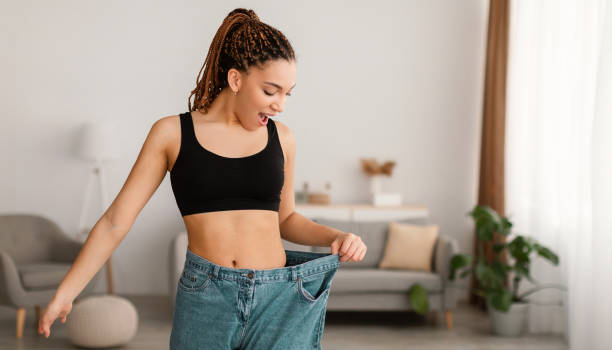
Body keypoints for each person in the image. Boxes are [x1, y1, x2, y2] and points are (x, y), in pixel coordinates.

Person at [38, 7, 367, 349]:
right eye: (271, 91)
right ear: (236, 80)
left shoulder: (282, 138)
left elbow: (286, 219)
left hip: (280, 297)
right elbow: (114, 222)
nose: (280, 105)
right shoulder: (171, 134)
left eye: (287, 93)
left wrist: (337, 235)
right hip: (207, 297)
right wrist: (67, 292)